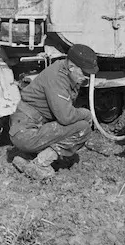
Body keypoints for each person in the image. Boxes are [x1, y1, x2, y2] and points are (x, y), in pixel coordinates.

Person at [9, 43, 105, 181]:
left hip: (27, 128)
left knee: (76, 123)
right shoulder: (57, 78)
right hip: (26, 133)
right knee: (82, 128)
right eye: (84, 72)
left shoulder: (65, 71)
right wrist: (86, 113)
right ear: (72, 67)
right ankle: (39, 164)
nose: (87, 77)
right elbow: (66, 117)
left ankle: (26, 155)